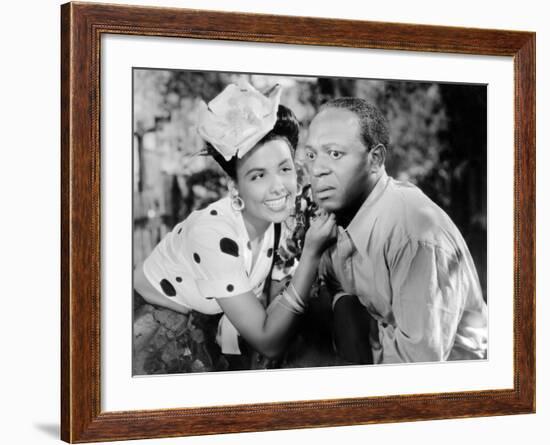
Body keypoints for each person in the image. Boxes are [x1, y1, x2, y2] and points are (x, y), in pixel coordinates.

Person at [134, 81, 336, 362]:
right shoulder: (213, 234)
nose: (278, 187)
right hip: (152, 332)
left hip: (207, 324)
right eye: (258, 175)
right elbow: (270, 342)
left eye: (284, 169)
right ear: (234, 186)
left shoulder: (278, 218)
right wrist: (311, 254)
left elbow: (274, 305)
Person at [303, 97, 488, 364]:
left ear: (375, 159)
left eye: (335, 154)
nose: (318, 169)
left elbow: (419, 365)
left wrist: (355, 336)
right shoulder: (337, 219)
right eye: (311, 155)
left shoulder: (414, 235)